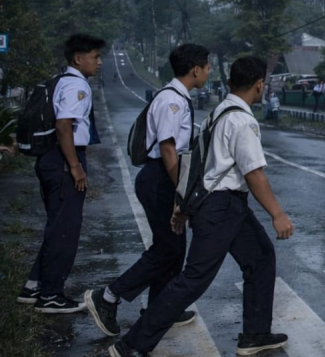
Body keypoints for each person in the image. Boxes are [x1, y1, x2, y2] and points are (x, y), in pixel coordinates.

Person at [109, 56, 294, 357]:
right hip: (221, 207)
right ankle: (131, 345)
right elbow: (254, 173)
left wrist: (182, 206)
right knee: (193, 280)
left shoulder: (219, 111)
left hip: (226, 206)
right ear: (259, 85)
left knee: (260, 257)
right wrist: (278, 214)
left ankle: (255, 334)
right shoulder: (242, 120)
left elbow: (197, 164)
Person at [86, 44, 211, 337]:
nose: (208, 72)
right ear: (195, 69)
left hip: (162, 178)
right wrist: (182, 190)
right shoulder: (172, 101)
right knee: (167, 248)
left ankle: (161, 306)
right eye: (206, 67)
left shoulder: (176, 96)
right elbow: (168, 149)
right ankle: (107, 296)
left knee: (174, 247)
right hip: (160, 180)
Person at [18, 33, 105, 313]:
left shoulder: (62, 80)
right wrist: (76, 167)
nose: (99, 62)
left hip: (53, 158)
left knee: (58, 225)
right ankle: (52, 295)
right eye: (95, 56)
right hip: (63, 159)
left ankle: (34, 286)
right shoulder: (76, 86)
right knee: (66, 230)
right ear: (78, 59)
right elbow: (64, 126)